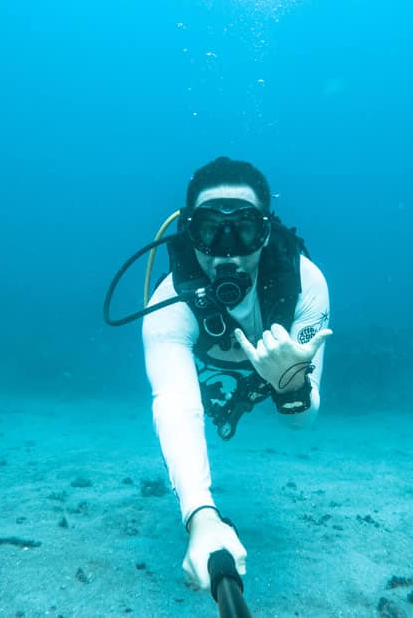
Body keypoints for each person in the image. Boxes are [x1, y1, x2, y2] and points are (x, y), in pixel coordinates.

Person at [141, 156, 332, 591]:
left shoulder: (305, 284)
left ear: (266, 232)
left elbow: (302, 421)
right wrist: (201, 516)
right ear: (190, 232)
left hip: (273, 369)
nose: (227, 250)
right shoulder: (170, 300)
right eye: (209, 229)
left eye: (245, 228)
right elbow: (175, 403)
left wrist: (290, 386)